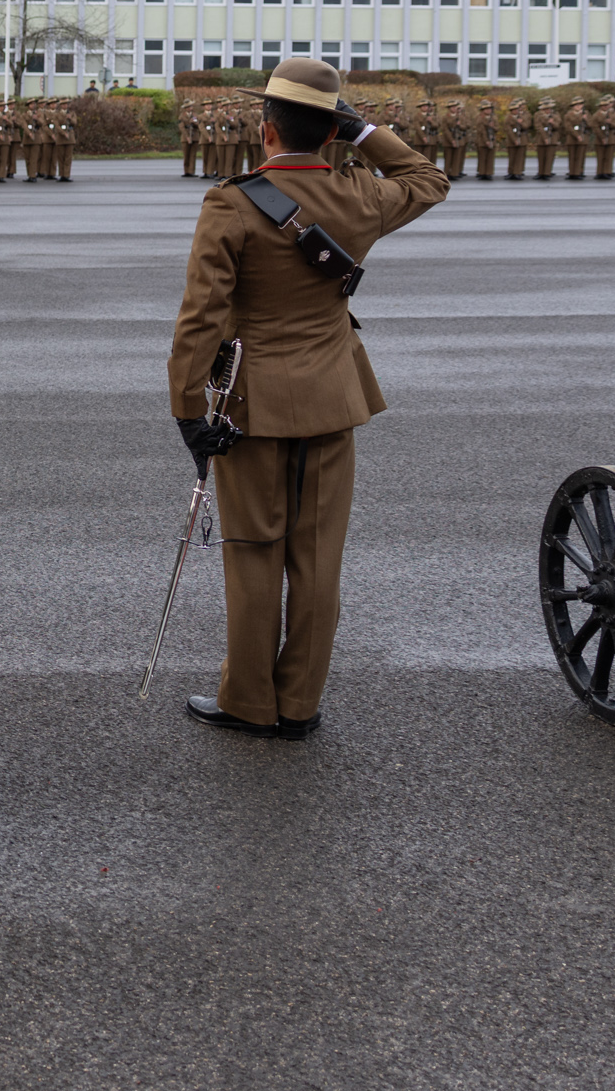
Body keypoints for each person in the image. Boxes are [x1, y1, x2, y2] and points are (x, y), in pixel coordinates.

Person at [170, 57, 448, 738]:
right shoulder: (361, 195)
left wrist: (186, 410)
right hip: (332, 397)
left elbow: (201, 318)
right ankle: (299, 704)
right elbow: (428, 179)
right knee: (318, 557)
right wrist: (367, 133)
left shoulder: (232, 203)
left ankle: (248, 700)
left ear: (266, 131)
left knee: (255, 550)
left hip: (250, 403)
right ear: (332, 132)